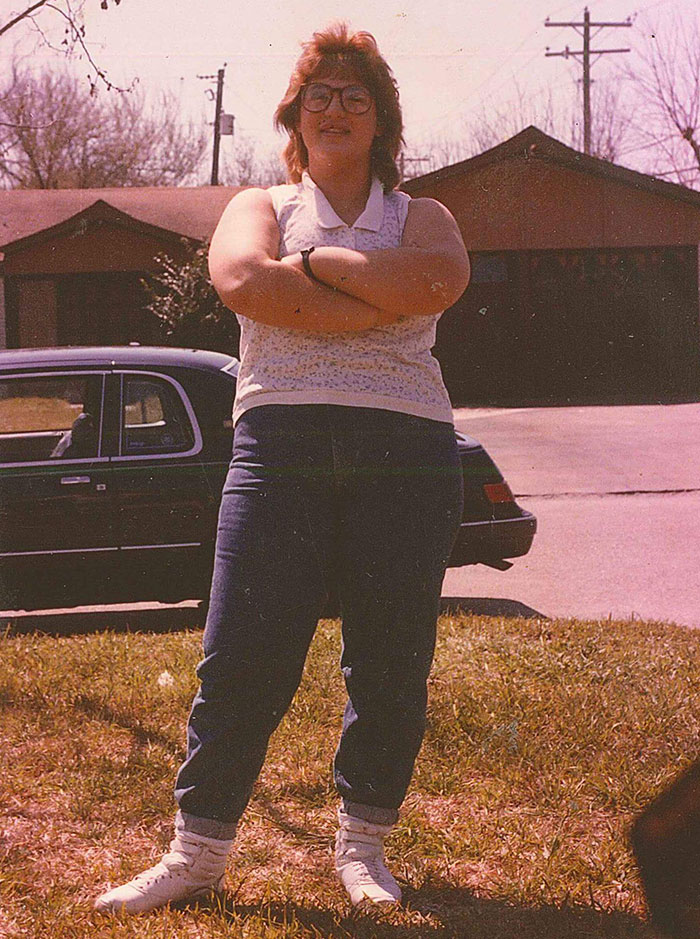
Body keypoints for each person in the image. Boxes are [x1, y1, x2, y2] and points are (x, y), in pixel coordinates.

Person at [95, 21, 469, 916]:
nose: (336, 109)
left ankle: (363, 849)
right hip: (279, 450)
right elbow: (243, 282)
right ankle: (196, 853)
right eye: (320, 95)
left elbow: (435, 283)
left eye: (356, 96)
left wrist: (315, 268)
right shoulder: (258, 206)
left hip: (405, 451)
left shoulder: (425, 217)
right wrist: (371, 296)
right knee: (240, 655)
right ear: (294, 116)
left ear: (382, 121)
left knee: (388, 659)